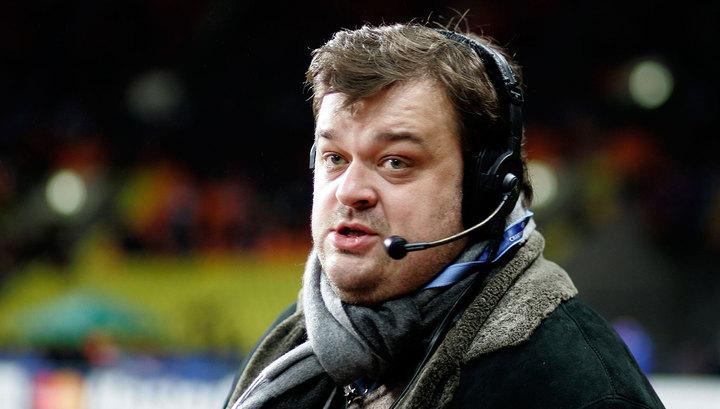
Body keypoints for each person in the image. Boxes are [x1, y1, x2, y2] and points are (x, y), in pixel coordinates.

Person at [224, 23, 665, 409]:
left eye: (395, 161)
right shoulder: (294, 338)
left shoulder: (576, 386)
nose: (350, 191)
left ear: (484, 188)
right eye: (334, 158)